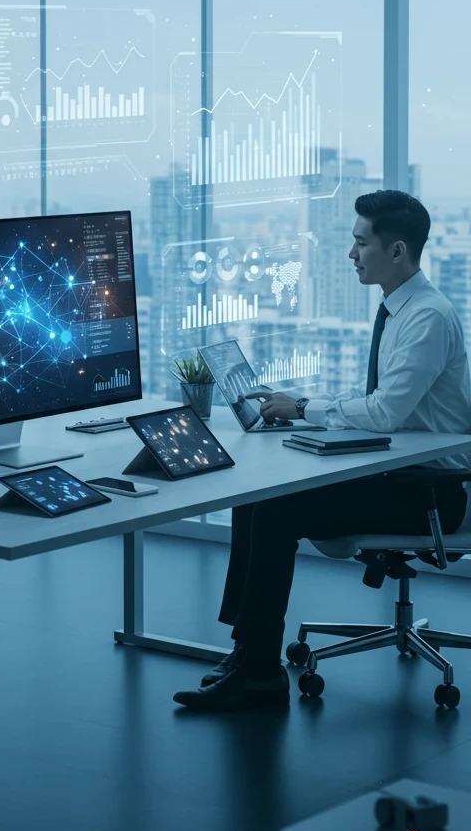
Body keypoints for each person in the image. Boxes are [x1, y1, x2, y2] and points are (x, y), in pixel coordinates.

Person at [174, 190, 471, 713]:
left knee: (277, 508)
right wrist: (297, 404)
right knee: (258, 493)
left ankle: (261, 673)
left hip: (432, 491)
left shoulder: (425, 318)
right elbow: (378, 404)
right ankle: (248, 652)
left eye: (361, 243)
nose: (351, 255)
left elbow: (383, 415)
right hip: (399, 474)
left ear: (397, 251)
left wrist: (304, 408)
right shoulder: (400, 309)